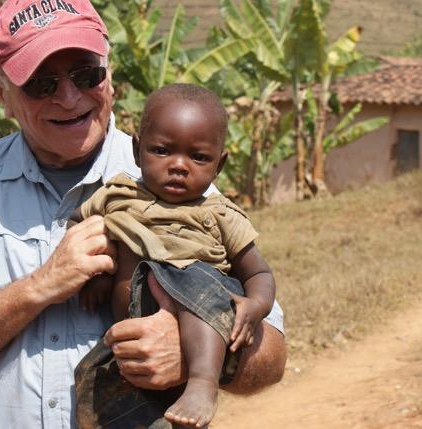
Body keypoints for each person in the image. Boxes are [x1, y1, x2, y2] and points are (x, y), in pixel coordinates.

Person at [0, 1, 286, 428]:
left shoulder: (183, 179)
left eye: (86, 74)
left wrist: (192, 353)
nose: (69, 97)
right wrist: (38, 288)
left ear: (110, 73)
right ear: (1, 92)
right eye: (41, 83)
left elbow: (272, 355)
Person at [73, 83, 275, 428]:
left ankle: (202, 382)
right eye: (162, 151)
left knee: (194, 279)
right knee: (94, 386)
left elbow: (259, 273)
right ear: (137, 151)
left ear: (220, 164)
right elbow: (77, 226)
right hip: (130, 341)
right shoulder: (117, 195)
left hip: (198, 322)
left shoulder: (221, 215)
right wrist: (100, 275)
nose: (179, 166)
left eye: (198, 157)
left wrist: (255, 306)